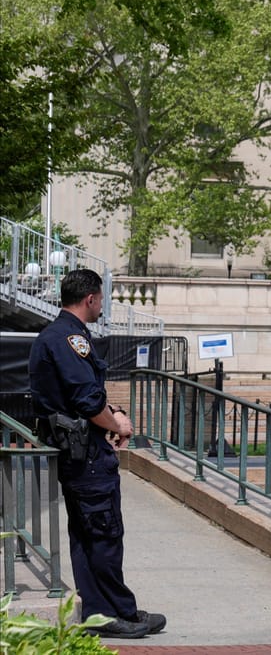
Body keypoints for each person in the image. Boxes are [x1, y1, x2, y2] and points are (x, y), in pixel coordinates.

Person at [28, 269, 166, 639]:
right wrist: (117, 425)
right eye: (101, 299)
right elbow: (86, 400)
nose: (101, 306)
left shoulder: (56, 336)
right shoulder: (70, 339)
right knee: (103, 534)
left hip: (78, 451)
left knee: (89, 534)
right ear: (90, 298)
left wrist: (113, 413)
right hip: (85, 455)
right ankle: (106, 614)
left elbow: (88, 396)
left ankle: (115, 609)